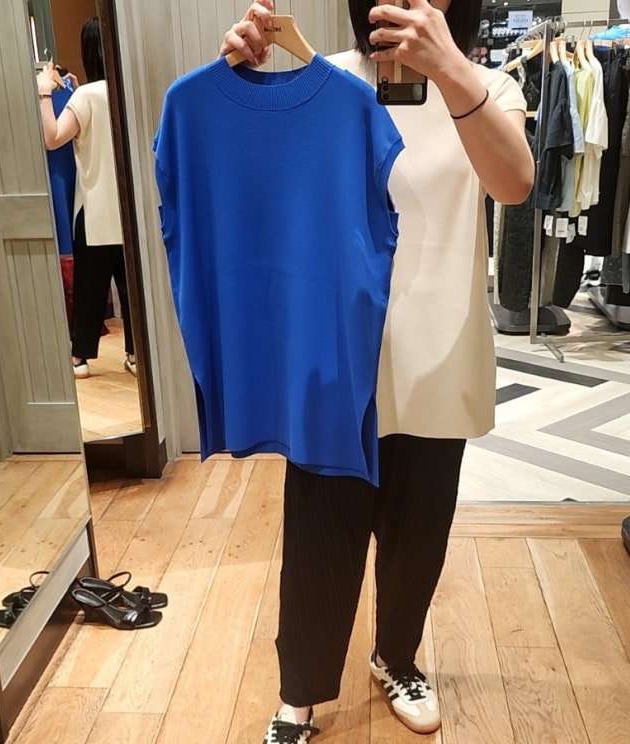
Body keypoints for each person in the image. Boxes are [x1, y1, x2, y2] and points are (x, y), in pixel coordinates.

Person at [220, 1, 534, 742]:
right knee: (319, 533)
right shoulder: (322, 79)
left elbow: (514, 183)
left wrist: (449, 69)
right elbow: (251, 184)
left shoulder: (490, 87)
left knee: (418, 532)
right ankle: (299, 695)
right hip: (335, 357)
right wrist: (239, 85)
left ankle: (396, 658)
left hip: (439, 352)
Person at [36, 18, 136, 379]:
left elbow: (52, 138)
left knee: (89, 287)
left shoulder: (86, 96)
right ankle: (136, 354)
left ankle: (80, 357)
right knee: (131, 289)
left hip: (93, 210)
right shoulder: (128, 91)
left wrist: (44, 92)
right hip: (129, 213)